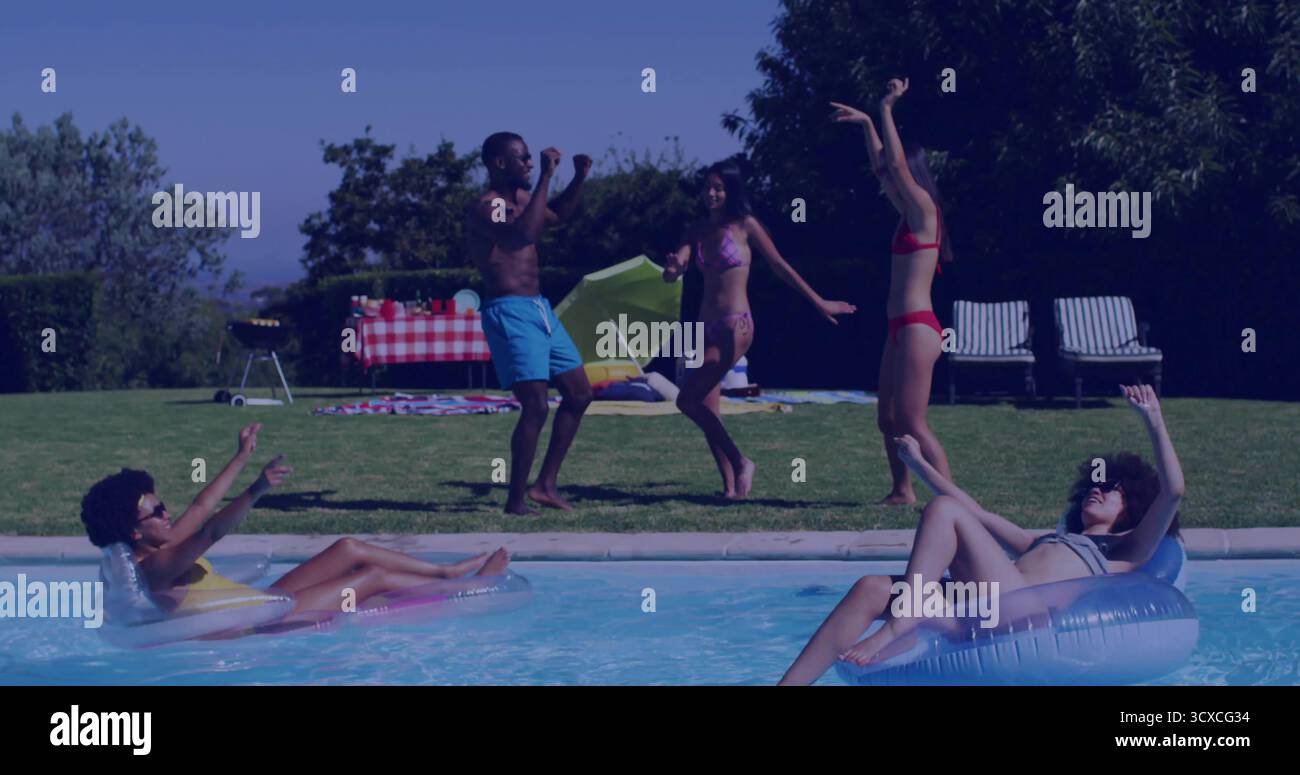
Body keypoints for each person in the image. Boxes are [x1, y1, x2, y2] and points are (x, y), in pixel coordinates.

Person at [779, 384, 1184, 684]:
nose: (1098, 488)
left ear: (1133, 509)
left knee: (944, 511)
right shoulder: (1043, 541)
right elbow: (974, 511)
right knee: (870, 587)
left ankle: (904, 620)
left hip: (1024, 615)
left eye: (1113, 490)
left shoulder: (1122, 552)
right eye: (1096, 485)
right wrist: (918, 465)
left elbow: (1174, 492)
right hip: (980, 611)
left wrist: (1153, 420)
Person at [80, 423, 511, 619]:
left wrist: (242, 456)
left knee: (348, 548)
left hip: (266, 602)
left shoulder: (163, 542)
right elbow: (211, 529)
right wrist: (257, 490)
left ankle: (445, 570)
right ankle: (470, 588)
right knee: (374, 576)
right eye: (156, 512)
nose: (167, 512)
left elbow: (201, 503)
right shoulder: (153, 567)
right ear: (135, 532)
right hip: (267, 625)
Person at [661, 161, 856, 498]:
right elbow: (675, 267)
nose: (711, 193)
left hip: (735, 325)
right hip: (704, 327)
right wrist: (674, 269)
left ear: (731, 191)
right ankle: (731, 487)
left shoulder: (745, 226)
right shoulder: (696, 230)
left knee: (685, 400)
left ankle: (741, 462)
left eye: (719, 188)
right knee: (705, 407)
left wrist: (819, 301)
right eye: (707, 186)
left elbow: (780, 265)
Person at [831, 77, 954, 505]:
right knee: (888, 418)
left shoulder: (924, 210)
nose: (885, 181)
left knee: (913, 422)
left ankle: (953, 500)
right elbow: (886, 166)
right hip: (898, 327)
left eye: (894, 176)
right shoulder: (905, 215)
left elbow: (897, 168)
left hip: (920, 326)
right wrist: (866, 123)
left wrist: (885, 108)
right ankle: (903, 491)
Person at [466, 131, 594, 514]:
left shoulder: (523, 200)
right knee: (536, 405)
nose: (529, 163)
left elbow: (555, 218)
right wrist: (547, 177)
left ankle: (546, 486)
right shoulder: (487, 207)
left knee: (579, 394)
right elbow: (522, 235)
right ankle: (515, 500)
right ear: (499, 163)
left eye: (529, 158)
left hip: (540, 309)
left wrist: (578, 177)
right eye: (522, 158)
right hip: (509, 311)